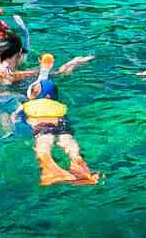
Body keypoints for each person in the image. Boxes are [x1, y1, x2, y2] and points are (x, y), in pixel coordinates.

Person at [14, 53, 101, 186]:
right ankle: (81, 168)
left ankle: (49, 171)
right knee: (70, 145)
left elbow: (16, 118)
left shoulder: (25, 105)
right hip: (63, 126)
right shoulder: (59, 106)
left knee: (44, 146)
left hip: (42, 127)